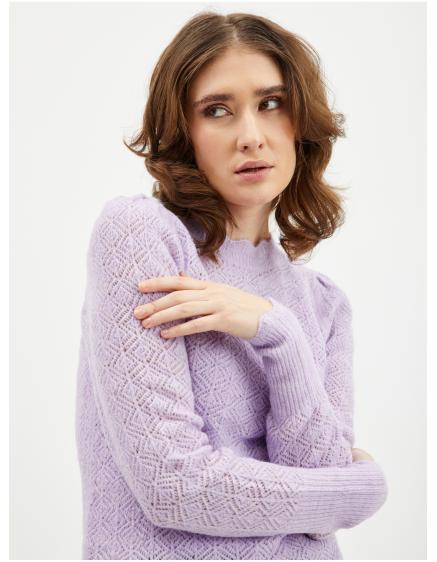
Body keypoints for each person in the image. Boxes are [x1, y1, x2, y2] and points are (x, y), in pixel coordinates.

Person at [75, 10, 387, 560]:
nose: (250, 137)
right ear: (184, 133)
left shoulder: (323, 303)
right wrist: (357, 492)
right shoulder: (143, 235)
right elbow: (172, 487)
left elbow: (314, 488)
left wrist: (278, 333)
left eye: (271, 104)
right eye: (216, 110)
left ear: (301, 122)